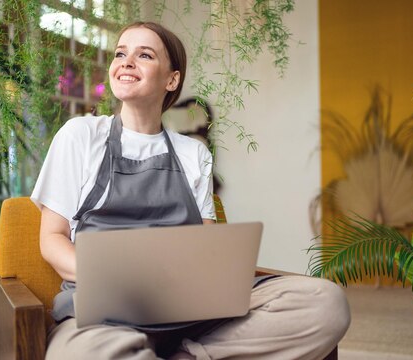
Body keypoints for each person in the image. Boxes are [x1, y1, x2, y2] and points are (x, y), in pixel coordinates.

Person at [31, 21, 350, 360]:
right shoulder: (81, 135)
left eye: (145, 55)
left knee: (325, 303)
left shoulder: (193, 153)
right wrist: (121, 281)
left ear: (172, 79)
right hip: (105, 312)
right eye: (121, 53)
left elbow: (205, 249)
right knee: (83, 354)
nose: (126, 61)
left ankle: (188, 354)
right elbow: (52, 240)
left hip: (188, 313)